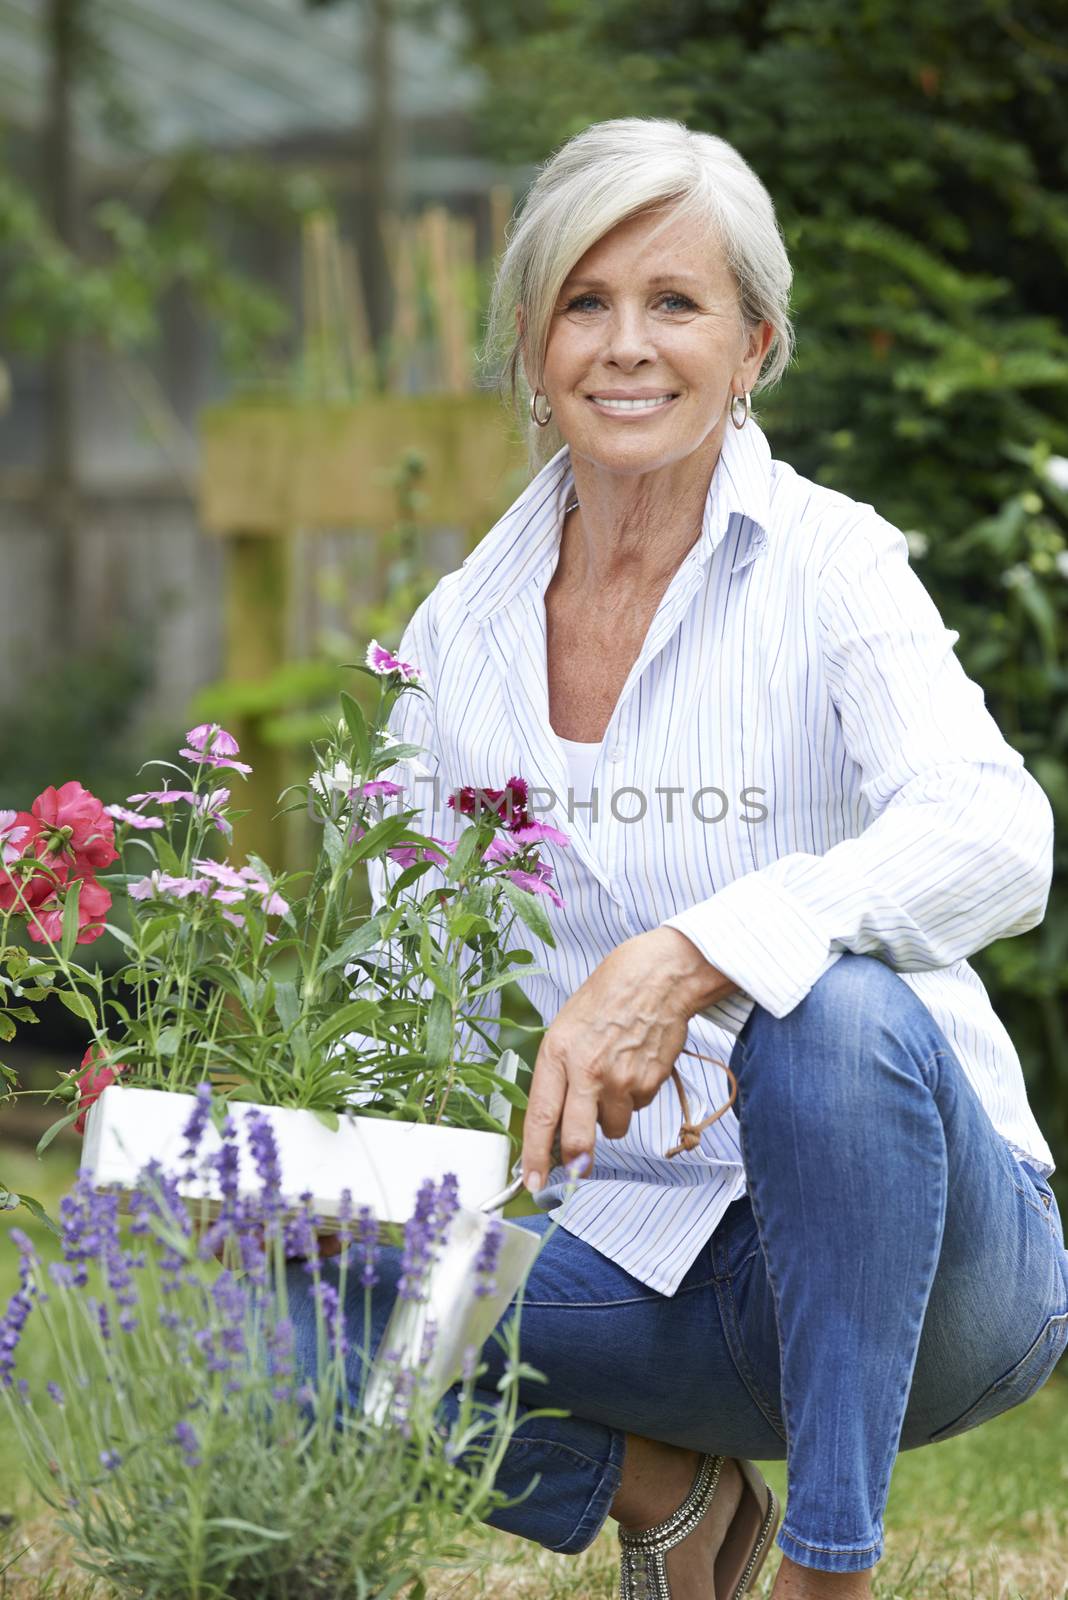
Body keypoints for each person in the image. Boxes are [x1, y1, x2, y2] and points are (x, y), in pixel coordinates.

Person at [286, 118, 1067, 1599]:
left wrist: (698, 952)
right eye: (585, 302)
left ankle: (827, 1569)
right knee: (276, 1305)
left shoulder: (833, 566)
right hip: (636, 1266)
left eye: (676, 303)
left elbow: (998, 832)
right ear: (528, 342)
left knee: (823, 1012)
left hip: (938, 1279)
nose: (626, 346)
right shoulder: (458, 637)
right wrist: (306, 1167)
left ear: (756, 345)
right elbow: (402, 970)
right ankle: (677, 1496)